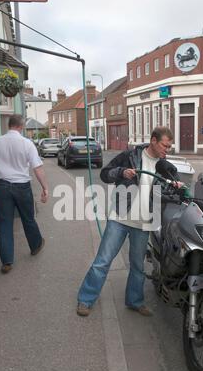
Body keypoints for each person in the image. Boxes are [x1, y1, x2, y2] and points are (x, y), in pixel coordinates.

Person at [77, 126, 180, 317]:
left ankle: (134, 301)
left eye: (170, 147)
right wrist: (122, 172)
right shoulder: (129, 156)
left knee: (138, 266)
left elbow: (172, 191)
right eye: (165, 145)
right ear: (153, 141)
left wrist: (176, 186)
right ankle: (85, 299)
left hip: (144, 223)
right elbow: (104, 174)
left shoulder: (165, 166)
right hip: (120, 218)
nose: (167, 150)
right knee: (103, 261)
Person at [0, 115, 49, 274]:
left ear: (9, 125)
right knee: (28, 218)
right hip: (22, 186)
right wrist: (45, 188)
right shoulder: (27, 144)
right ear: (21, 127)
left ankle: (6, 261)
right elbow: (37, 168)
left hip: (2, 186)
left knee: (5, 223)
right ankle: (35, 245)